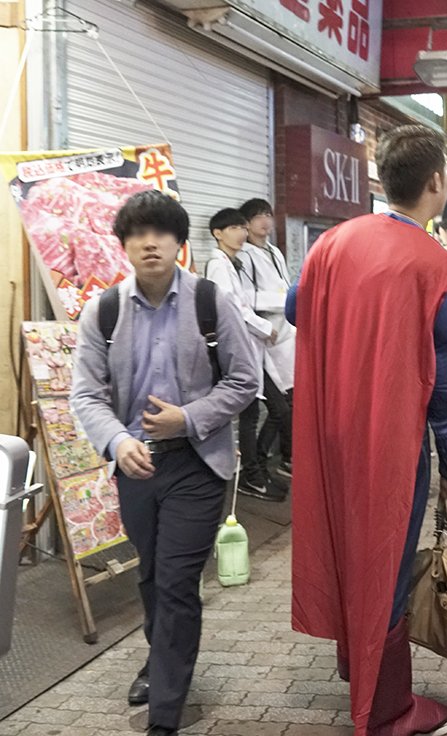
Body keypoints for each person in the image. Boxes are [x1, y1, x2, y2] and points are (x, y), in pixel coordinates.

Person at [291, 124, 447, 736]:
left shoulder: (332, 243)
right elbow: (446, 386)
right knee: (386, 560)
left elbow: (295, 306)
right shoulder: (440, 268)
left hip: (329, 429)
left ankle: (358, 667)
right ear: (437, 182)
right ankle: (389, 709)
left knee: (347, 548)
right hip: (390, 437)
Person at [70, 191, 258, 736]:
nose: (149, 243)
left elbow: (244, 380)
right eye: (138, 234)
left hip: (197, 464)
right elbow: (86, 394)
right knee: (153, 577)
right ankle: (160, 659)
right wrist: (115, 441)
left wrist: (189, 418)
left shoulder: (209, 302)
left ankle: (164, 713)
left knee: (176, 581)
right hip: (136, 467)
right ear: (124, 244)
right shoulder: (104, 311)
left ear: (178, 242)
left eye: (160, 233)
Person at [203, 209, 287, 502]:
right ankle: (252, 477)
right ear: (217, 233)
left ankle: (257, 471)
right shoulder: (218, 265)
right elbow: (232, 308)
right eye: (234, 228)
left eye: (242, 227)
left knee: (271, 410)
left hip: (249, 350)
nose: (241, 233)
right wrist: (263, 327)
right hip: (238, 352)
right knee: (253, 415)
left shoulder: (232, 263)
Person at [240, 198, 295, 480]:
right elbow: (247, 299)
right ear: (246, 224)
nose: (265, 221)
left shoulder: (274, 251)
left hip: (287, 333)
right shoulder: (244, 256)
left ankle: (287, 458)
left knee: (290, 403)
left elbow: (285, 285)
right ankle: (262, 463)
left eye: (268, 215)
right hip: (264, 336)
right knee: (279, 408)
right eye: (258, 216)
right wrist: (283, 300)